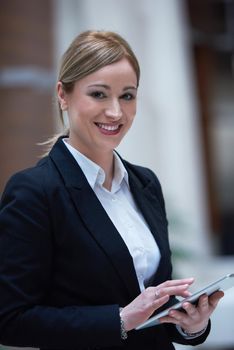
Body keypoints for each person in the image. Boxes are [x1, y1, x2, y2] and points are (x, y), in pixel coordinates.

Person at [0, 30, 223, 350]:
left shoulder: (145, 183)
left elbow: (155, 310)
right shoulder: (35, 192)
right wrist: (119, 319)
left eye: (127, 95)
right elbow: (10, 320)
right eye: (99, 94)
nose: (116, 112)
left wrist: (191, 324)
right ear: (63, 94)